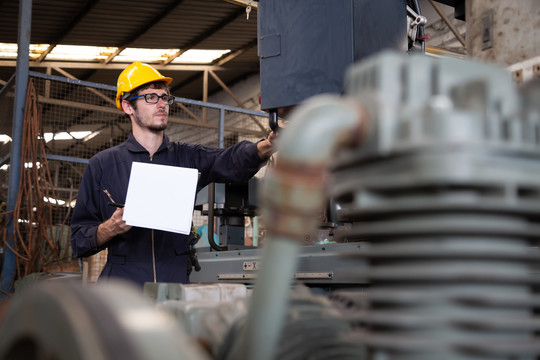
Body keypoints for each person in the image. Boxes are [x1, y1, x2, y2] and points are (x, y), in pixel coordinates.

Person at [70, 61, 276, 287]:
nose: (162, 104)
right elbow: (80, 241)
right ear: (128, 106)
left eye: (165, 97)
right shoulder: (103, 165)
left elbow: (230, 159)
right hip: (122, 289)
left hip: (174, 284)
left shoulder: (187, 158)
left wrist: (266, 145)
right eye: (151, 97)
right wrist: (109, 228)